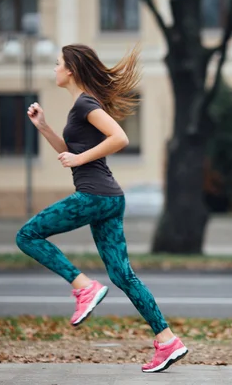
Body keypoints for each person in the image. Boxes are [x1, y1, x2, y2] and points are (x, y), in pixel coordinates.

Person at [15, 43, 188, 373]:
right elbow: (70, 151)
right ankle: (167, 340)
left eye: (57, 63)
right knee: (123, 275)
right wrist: (44, 127)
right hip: (109, 199)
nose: (54, 69)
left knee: (27, 235)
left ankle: (84, 287)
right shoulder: (79, 107)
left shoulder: (85, 104)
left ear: (71, 70)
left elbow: (120, 137)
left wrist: (79, 158)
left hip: (94, 197)